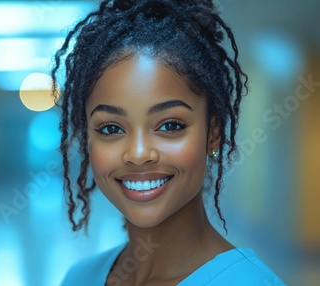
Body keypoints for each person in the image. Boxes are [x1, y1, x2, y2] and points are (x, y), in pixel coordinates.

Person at [50, 0, 286, 285]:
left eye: (170, 125)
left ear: (213, 132)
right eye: (111, 128)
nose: (138, 154)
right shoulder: (78, 278)